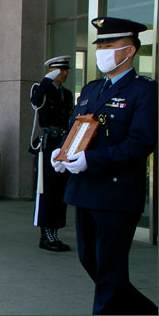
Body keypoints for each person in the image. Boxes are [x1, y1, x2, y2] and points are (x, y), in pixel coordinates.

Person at [52, 17, 158, 315]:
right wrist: (62, 153)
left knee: (110, 271)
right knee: (91, 261)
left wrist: (92, 159)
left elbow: (141, 143)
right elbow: (75, 130)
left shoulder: (144, 91)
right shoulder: (91, 89)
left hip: (116, 194)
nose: (102, 52)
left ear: (130, 51)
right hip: (85, 190)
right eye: (100, 45)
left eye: (110, 46)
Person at [30, 55, 73, 251]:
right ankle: (45, 234)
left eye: (66, 70)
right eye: (60, 70)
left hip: (62, 142)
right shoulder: (42, 89)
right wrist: (47, 80)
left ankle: (55, 231)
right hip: (47, 145)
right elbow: (36, 101)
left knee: (58, 189)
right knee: (46, 189)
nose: (64, 74)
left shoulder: (68, 94)